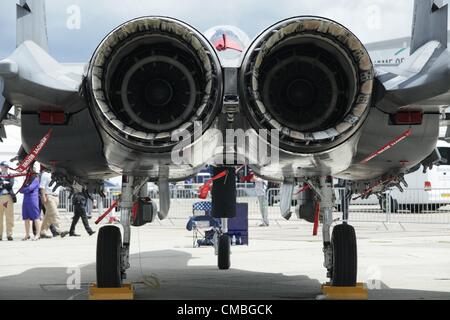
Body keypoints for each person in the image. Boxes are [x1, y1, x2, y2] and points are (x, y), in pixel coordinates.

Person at [39, 167, 69, 239]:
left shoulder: (57, 174)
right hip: (48, 196)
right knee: (55, 214)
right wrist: (43, 196)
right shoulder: (45, 174)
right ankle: (60, 230)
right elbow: (42, 187)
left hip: (56, 196)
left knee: (48, 216)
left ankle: (42, 232)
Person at [20, 167, 41, 241]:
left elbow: (30, 188)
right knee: (26, 218)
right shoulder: (26, 179)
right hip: (25, 201)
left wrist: (24, 190)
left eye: (28, 171)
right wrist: (24, 189)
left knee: (36, 218)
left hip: (33, 201)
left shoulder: (36, 179)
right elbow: (21, 189)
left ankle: (38, 234)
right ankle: (27, 234)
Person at [0, 161, 15, 241]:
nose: (6, 168)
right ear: (1, 166)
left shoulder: (10, 175)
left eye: (7, 166)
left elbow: (11, 185)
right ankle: (0, 235)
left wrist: (2, 184)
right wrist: (4, 183)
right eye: (4, 166)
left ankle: (9, 234)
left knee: (9, 216)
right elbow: (7, 184)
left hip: (7, 197)